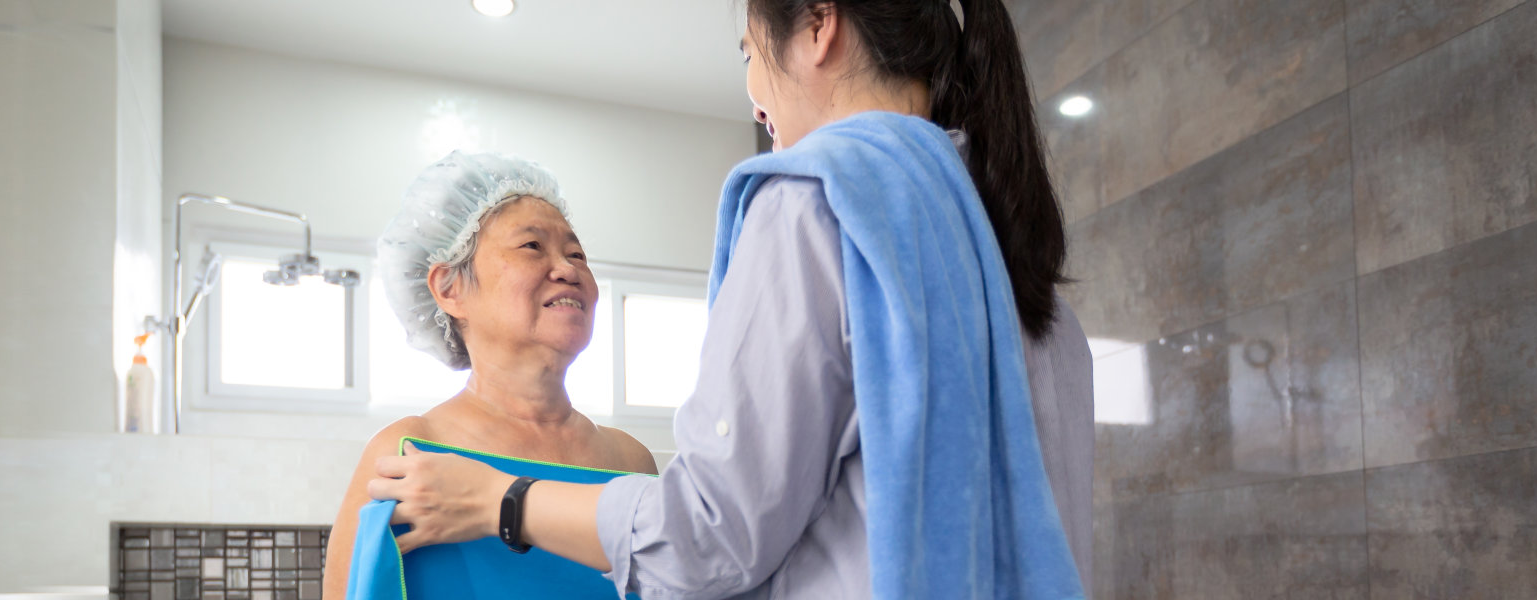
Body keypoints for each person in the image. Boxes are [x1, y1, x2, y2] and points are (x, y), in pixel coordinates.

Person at [366, 1, 1094, 598]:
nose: (752, 90)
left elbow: (706, 535)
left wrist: (504, 503)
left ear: (818, 24)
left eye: (748, 50)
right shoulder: (1008, 253)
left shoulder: (814, 205)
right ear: (447, 287)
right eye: (532, 247)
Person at [323, 151, 659, 599]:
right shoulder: (407, 454)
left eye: (576, 253)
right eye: (532, 246)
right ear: (450, 288)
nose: (568, 269)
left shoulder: (630, 461)